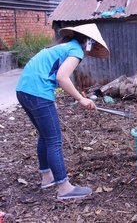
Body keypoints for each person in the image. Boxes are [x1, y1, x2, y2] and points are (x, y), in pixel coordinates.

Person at [16, 23, 110, 199]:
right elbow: (61, 77)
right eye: (92, 45)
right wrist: (81, 99)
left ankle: (47, 177)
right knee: (54, 140)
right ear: (87, 41)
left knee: (45, 136)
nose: (91, 50)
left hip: (24, 90)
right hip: (38, 92)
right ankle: (64, 188)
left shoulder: (62, 46)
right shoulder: (76, 50)